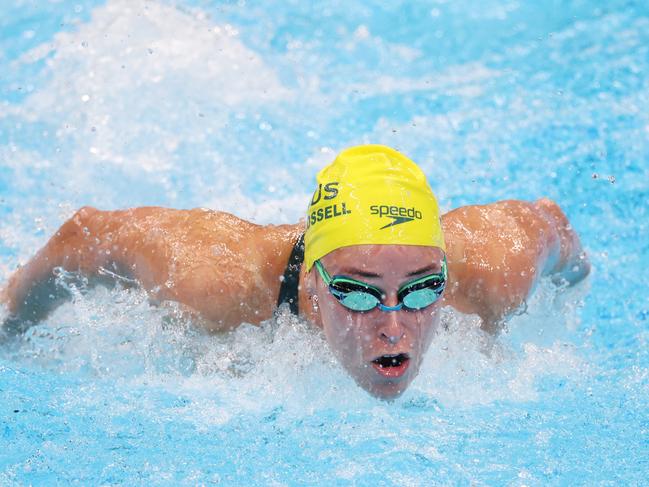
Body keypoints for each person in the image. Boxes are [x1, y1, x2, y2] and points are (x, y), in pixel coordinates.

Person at [0, 145, 590, 399]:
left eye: (421, 289)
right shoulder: (216, 281)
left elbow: (553, 227)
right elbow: (84, 234)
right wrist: (10, 322)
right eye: (358, 292)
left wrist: (576, 283)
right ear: (311, 281)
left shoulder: (493, 269)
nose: (393, 327)